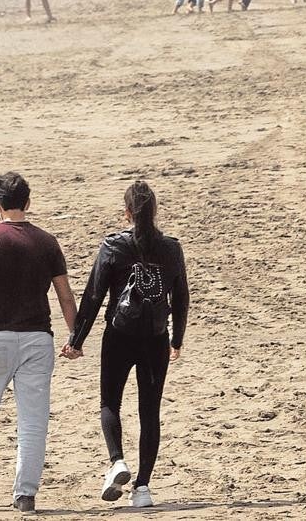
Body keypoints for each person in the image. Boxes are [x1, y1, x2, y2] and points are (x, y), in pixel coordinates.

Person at [0, 172, 78, 515]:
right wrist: (75, 336)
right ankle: (25, 495)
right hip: (38, 338)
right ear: (28, 202)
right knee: (33, 419)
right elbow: (65, 296)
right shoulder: (47, 241)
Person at [63, 181, 190, 509]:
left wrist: (76, 339)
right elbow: (181, 297)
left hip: (119, 336)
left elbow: (93, 295)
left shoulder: (113, 246)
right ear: (155, 211)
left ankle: (117, 460)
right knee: (150, 411)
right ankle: (143, 488)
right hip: (156, 338)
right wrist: (176, 339)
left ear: (127, 213)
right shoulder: (171, 248)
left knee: (110, 402)